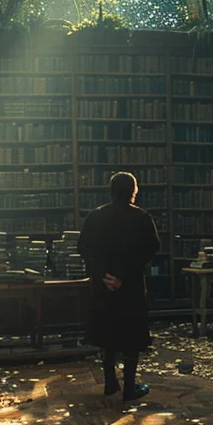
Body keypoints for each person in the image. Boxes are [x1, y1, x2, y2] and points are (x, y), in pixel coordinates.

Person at [78, 171, 160, 401]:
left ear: (111, 191)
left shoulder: (96, 216)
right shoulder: (142, 217)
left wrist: (103, 274)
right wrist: (122, 276)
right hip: (130, 285)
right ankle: (130, 386)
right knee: (131, 334)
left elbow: (83, 247)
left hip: (103, 286)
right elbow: (151, 248)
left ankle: (110, 382)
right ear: (134, 192)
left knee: (108, 332)